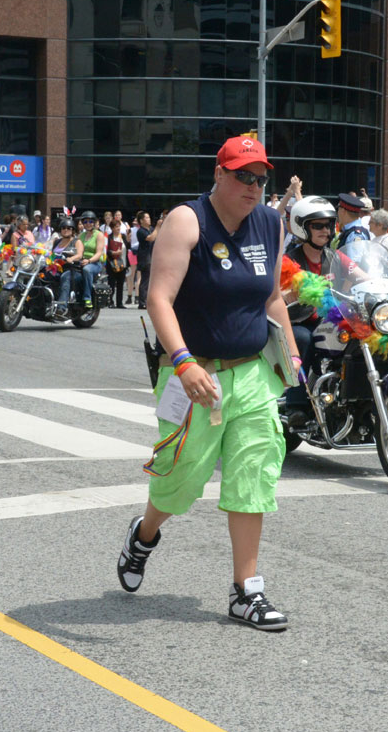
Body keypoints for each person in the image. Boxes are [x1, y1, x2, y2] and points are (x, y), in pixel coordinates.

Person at [116, 135, 299, 631]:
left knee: (254, 477)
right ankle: (145, 535)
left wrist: (291, 354)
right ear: (219, 174)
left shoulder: (269, 222)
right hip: (194, 376)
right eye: (243, 175)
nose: (254, 186)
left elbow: (271, 298)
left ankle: (247, 591)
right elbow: (159, 299)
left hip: (253, 376)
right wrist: (183, 362)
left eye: (261, 178)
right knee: (181, 479)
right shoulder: (186, 220)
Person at [282, 195, 337, 423]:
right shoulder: (288, 260)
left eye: (329, 225)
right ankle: (296, 404)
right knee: (303, 339)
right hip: (296, 321)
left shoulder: (335, 257)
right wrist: (292, 294)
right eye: (318, 226)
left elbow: (360, 276)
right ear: (302, 228)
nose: (325, 230)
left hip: (328, 320)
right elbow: (276, 297)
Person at [53, 218, 83, 312]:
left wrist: (71, 258)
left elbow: (79, 255)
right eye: (63, 228)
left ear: (73, 230)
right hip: (56, 268)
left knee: (65, 278)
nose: (65, 230)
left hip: (72, 270)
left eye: (68, 228)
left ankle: (61, 308)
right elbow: (50, 253)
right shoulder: (57, 241)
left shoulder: (76, 241)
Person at [77, 211, 106, 308]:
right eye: (85, 222)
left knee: (87, 269)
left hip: (94, 263)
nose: (88, 224)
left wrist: (89, 261)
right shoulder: (81, 236)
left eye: (90, 221)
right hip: (81, 261)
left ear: (94, 222)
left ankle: (87, 298)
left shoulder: (99, 235)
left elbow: (98, 253)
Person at [135, 211, 159, 308]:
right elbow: (151, 238)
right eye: (147, 218)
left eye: (149, 217)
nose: (149, 219)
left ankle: (148, 301)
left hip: (152, 256)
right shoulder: (141, 231)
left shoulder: (151, 229)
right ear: (141, 220)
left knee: (151, 280)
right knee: (146, 280)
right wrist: (158, 227)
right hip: (145, 258)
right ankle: (142, 302)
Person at [106, 218, 129, 308]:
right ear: (112, 228)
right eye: (116, 227)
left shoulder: (123, 236)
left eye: (119, 226)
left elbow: (128, 247)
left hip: (122, 262)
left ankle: (119, 302)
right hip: (112, 263)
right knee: (111, 283)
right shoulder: (109, 237)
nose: (118, 228)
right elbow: (106, 250)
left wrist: (129, 239)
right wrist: (113, 253)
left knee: (120, 283)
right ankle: (110, 301)